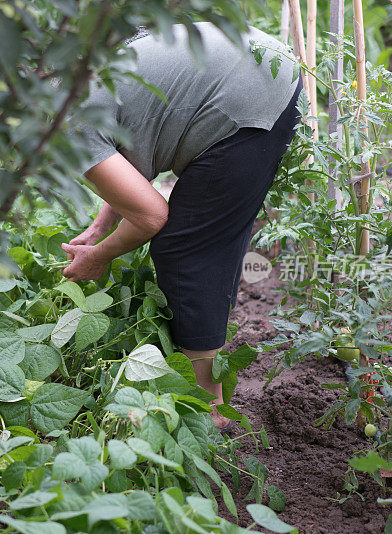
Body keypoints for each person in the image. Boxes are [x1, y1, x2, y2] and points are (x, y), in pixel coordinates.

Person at [61, 22, 302, 431]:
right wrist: (100, 228)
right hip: (262, 67)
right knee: (213, 238)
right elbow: (138, 145)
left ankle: (209, 411)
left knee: (187, 252)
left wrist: (97, 258)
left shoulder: (63, 126)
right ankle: (210, 348)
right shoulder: (71, 84)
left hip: (247, 96)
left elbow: (151, 215)